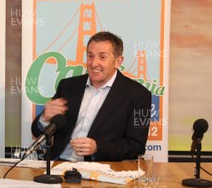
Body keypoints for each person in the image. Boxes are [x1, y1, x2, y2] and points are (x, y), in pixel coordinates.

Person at [31, 31, 151, 161]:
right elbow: (36, 131)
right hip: (58, 164)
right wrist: (44, 118)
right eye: (90, 56)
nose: (94, 63)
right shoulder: (67, 86)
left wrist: (98, 147)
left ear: (117, 61)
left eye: (102, 57)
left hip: (101, 168)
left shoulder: (139, 95)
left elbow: (137, 146)